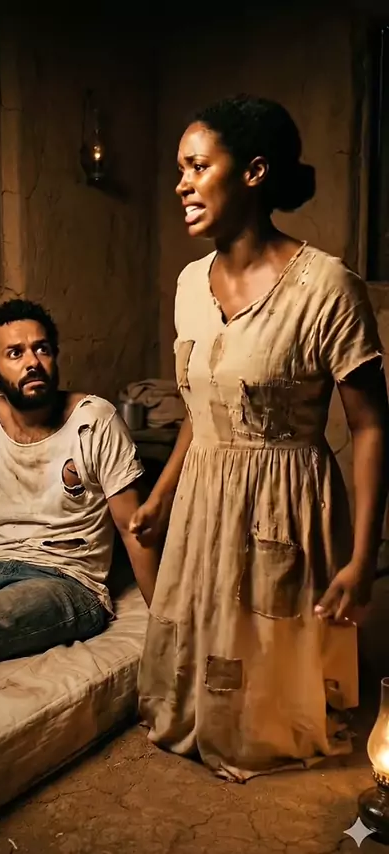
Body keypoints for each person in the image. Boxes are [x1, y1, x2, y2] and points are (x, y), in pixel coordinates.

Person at [131, 95, 389, 781]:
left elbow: (371, 425)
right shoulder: (190, 284)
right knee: (207, 675)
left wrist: (363, 556)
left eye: (197, 167)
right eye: (179, 170)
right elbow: (206, 405)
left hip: (285, 503)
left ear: (253, 172)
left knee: (274, 705)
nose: (181, 184)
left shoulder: (326, 288)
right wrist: (161, 496)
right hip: (204, 501)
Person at [0, 299, 158, 704]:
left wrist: (163, 620)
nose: (32, 362)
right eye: (15, 353)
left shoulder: (95, 420)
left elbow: (134, 529)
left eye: (41, 349)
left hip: (68, 582)